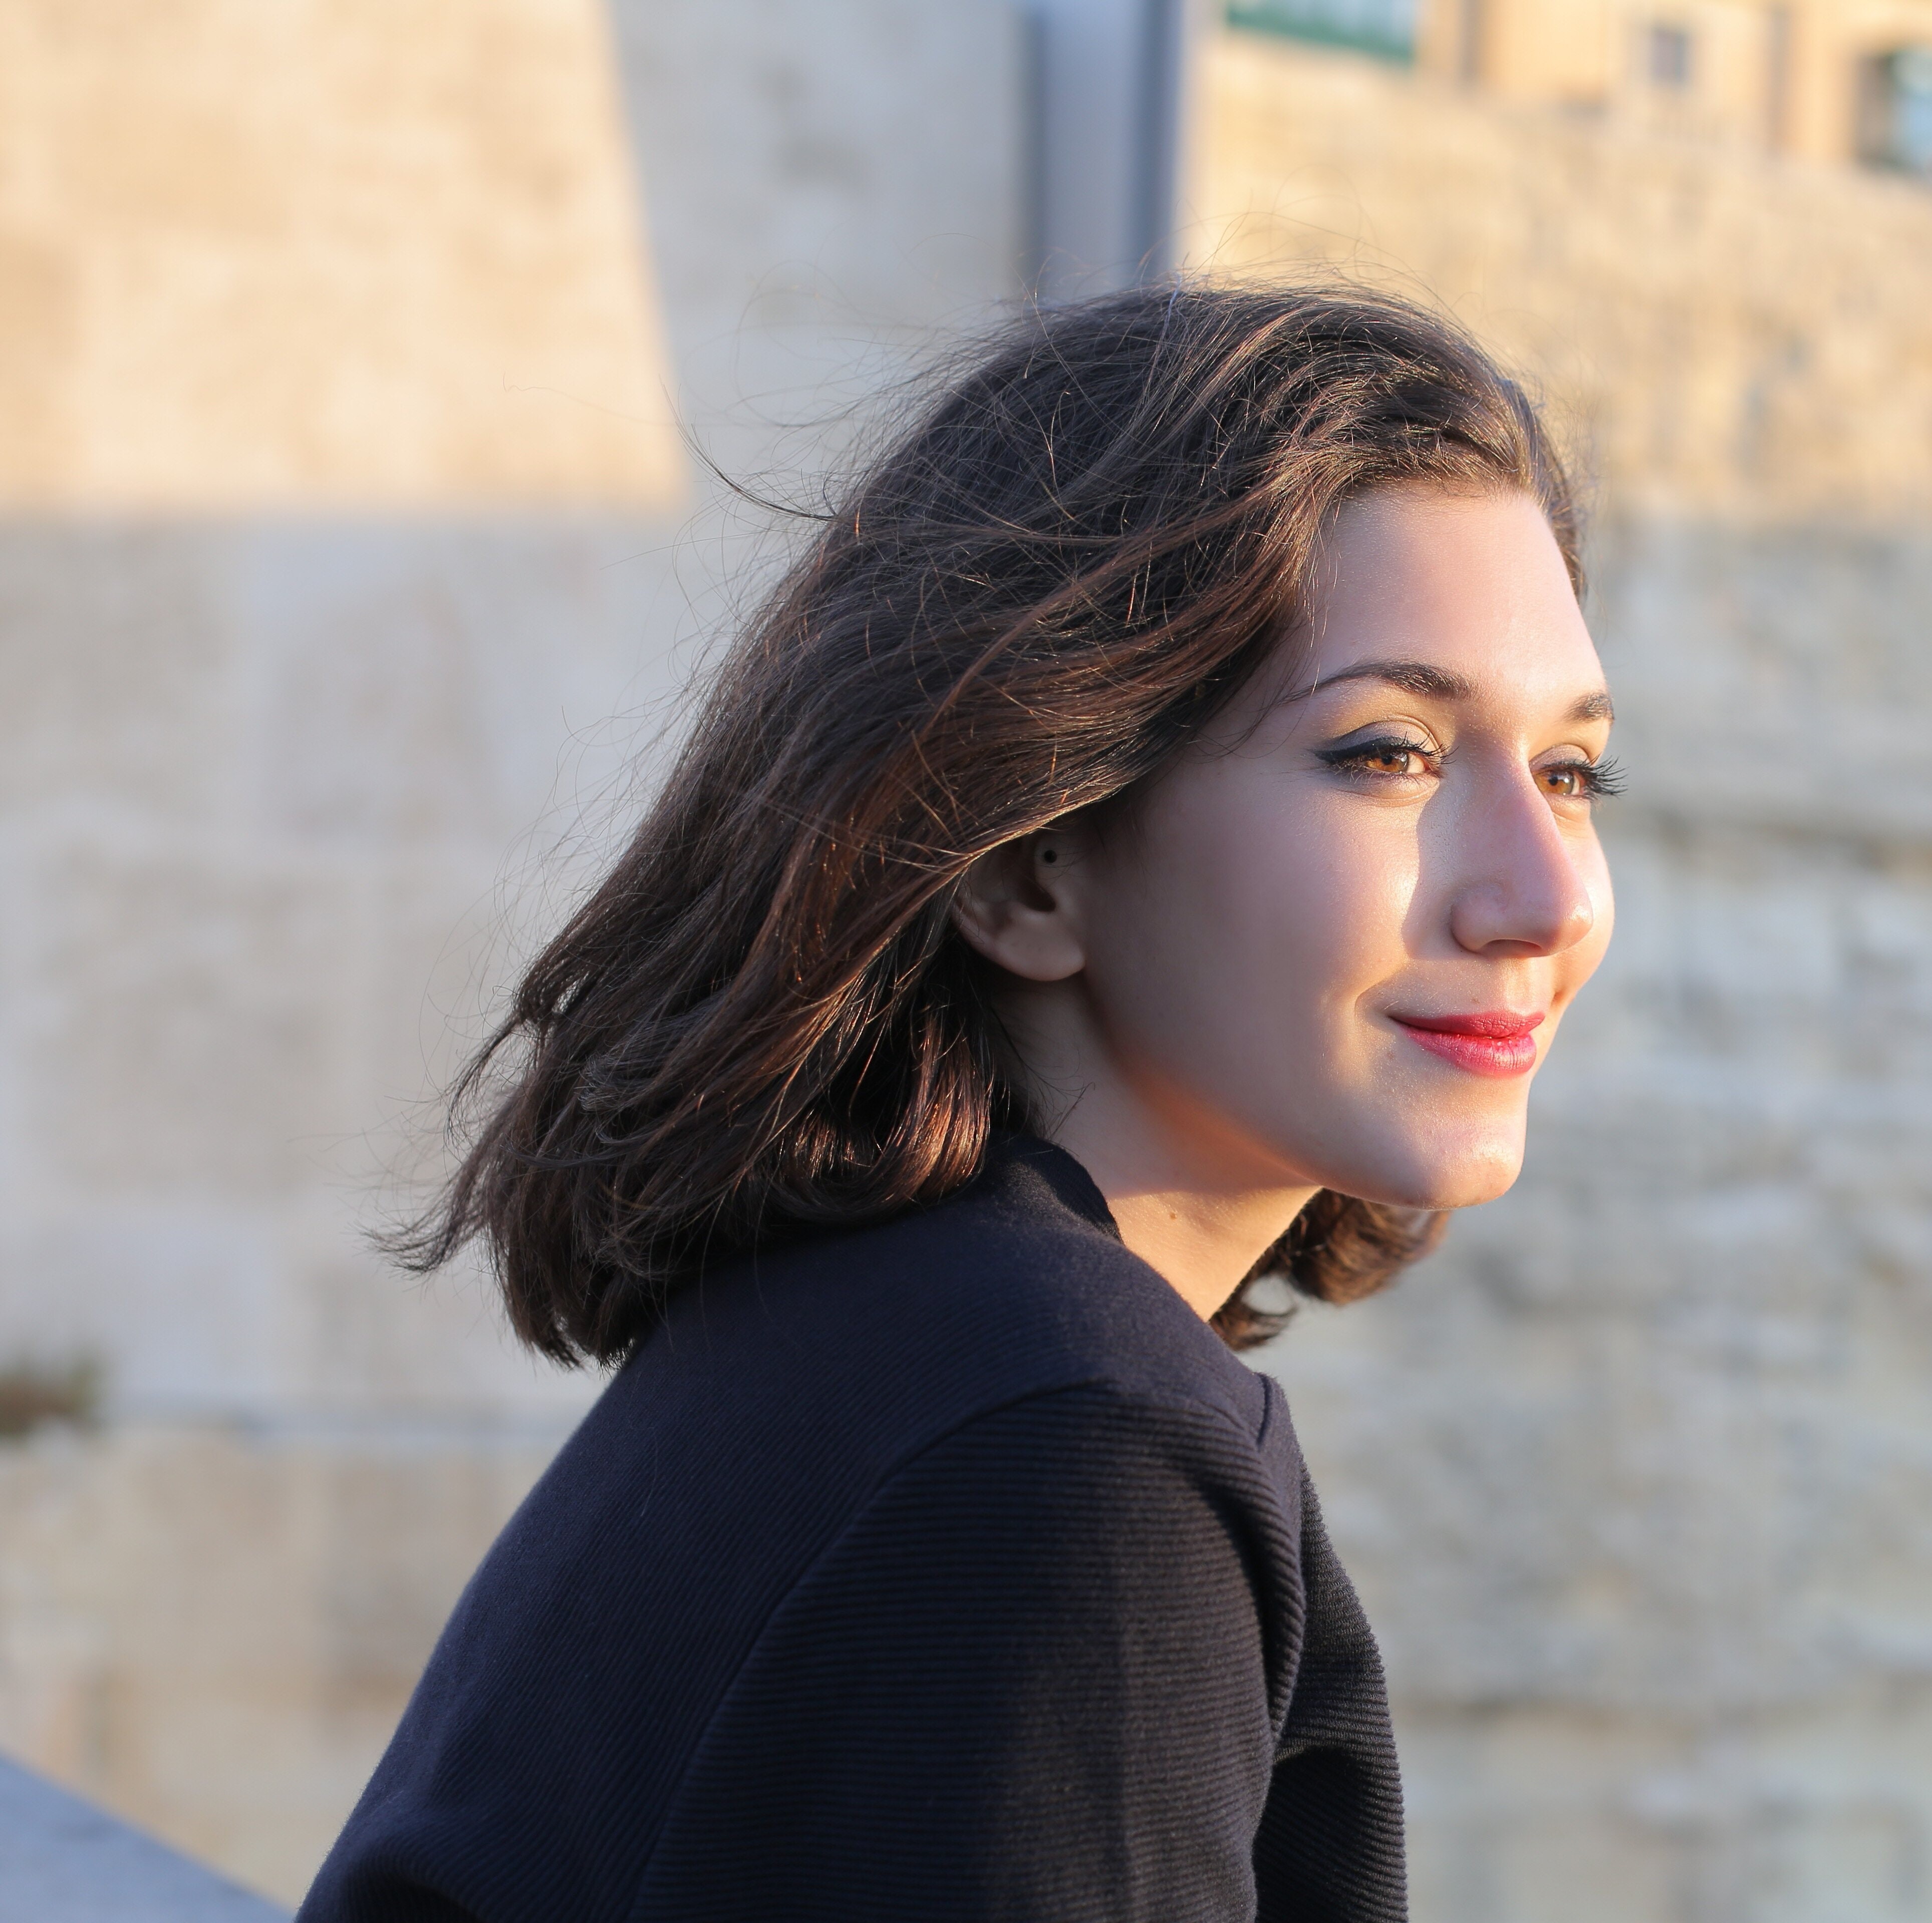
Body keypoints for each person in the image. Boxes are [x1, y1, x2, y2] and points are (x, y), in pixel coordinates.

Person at [299, 283, 1617, 1921]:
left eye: (1572, 772)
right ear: (1028, 865)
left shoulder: (892, 1335)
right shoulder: (1065, 1448)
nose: (1547, 899)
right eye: (1387, 753)